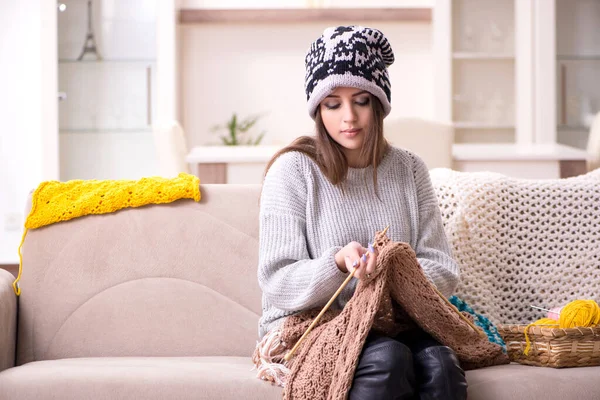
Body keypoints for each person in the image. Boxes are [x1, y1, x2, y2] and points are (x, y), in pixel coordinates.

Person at [257, 25, 467, 400]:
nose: (348, 117)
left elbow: (443, 268)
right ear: (318, 110)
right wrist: (337, 263)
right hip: (313, 322)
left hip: (396, 323)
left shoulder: (409, 169)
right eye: (332, 104)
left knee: (440, 363)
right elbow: (277, 280)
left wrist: (390, 269)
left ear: (379, 103)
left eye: (361, 100)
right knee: (388, 359)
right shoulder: (292, 170)